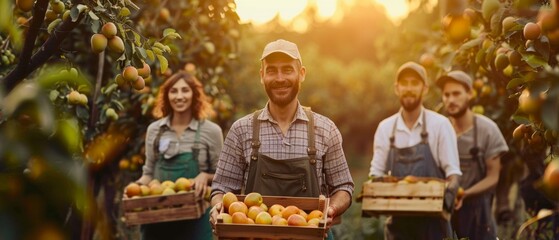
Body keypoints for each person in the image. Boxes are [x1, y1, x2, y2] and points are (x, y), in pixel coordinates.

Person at [209, 39, 354, 238]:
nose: (279, 78)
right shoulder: (241, 130)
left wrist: (332, 208)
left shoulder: (325, 129)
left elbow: (343, 187)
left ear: (301, 74)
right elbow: (222, 188)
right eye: (271, 71)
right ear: (262, 76)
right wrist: (219, 207)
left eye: (287, 70)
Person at [368, 62, 462, 240]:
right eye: (404, 83)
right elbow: (376, 173)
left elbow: (453, 174)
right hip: (398, 228)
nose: (409, 88)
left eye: (414, 83)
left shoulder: (440, 125)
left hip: (434, 226)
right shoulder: (386, 128)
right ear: (397, 88)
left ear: (425, 88)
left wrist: (446, 201)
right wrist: (377, 192)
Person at [135, 71, 224, 240]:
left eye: (185, 90)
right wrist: (135, 188)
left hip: (196, 220)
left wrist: (205, 176)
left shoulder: (211, 131)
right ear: (167, 96)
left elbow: (222, 178)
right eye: (173, 91)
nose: (179, 96)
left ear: (194, 95)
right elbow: (148, 173)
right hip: (158, 218)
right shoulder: (155, 130)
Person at [437, 70, 509, 240]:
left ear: (469, 94)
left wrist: (465, 194)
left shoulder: (487, 130)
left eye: (456, 93)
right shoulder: (439, 129)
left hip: (478, 217)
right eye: (446, 95)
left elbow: (493, 177)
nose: (451, 100)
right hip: (443, 213)